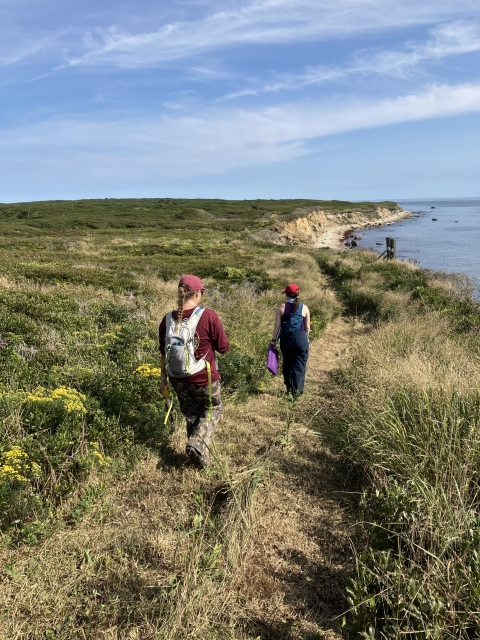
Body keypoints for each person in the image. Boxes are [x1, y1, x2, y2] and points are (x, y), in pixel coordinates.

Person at [159, 275, 230, 468]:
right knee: (214, 409)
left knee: (192, 414)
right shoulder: (208, 316)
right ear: (198, 293)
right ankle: (196, 445)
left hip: (176, 377)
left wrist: (162, 379)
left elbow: (163, 351)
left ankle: (198, 461)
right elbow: (223, 347)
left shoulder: (167, 319)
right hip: (203, 377)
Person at [271, 283, 310, 397]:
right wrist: (305, 339)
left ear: (286, 294)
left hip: (286, 340)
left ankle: (288, 387)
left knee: (287, 363)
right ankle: (296, 392)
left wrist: (273, 341)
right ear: (298, 294)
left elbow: (277, 326)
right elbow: (307, 327)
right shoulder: (304, 307)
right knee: (299, 365)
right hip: (301, 339)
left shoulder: (281, 307)